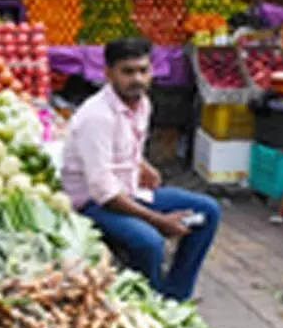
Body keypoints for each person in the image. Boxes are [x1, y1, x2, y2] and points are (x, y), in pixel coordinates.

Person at [61, 37, 220, 301]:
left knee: (208, 211)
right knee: (149, 241)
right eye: (127, 71)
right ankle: (149, 303)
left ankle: (175, 296)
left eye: (143, 70)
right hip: (93, 202)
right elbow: (104, 192)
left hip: (129, 190)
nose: (137, 79)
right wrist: (159, 221)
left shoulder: (142, 103)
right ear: (108, 73)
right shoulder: (96, 117)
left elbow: (127, 145)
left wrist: (143, 164)